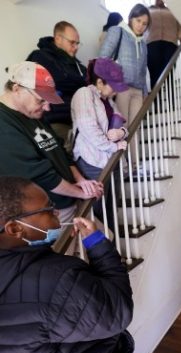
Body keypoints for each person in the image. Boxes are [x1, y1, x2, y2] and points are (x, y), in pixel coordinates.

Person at [0, 176, 134, 353]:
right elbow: (117, 312)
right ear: (15, 228)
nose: (57, 213)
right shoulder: (58, 280)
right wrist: (97, 245)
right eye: (48, 209)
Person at [0, 61, 103, 224]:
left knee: (105, 240)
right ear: (17, 89)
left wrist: (80, 181)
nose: (47, 108)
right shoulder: (4, 123)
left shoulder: (32, 112)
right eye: (41, 101)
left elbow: (59, 150)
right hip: (50, 213)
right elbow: (39, 175)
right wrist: (81, 193)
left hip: (70, 199)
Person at [72, 57, 128, 231]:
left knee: (111, 207)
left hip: (110, 159)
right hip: (92, 161)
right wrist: (113, 146)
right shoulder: (84, 94)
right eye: (113, 86)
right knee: (97, 209)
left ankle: (113, 246)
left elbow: (123, 124)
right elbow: (89, 129)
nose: (116, 92)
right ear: (99, 82)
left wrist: (122, 133)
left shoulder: (108, 101)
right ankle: (100, 249)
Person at [99, 4, 150, 168]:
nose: (141, 25)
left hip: (137, 90)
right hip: (121, 87)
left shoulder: (143, 44)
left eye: (144, 23)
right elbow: (103, 57)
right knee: (122, 127)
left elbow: (143, 70)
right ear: (131, 18)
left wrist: (145, 92)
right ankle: (123, 164)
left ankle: (135, 164)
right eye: (138, 20)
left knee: (135, 128)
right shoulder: (118, 31)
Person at [27, 21, 87, 151]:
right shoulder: (40, 56)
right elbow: (55, 81)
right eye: (72, 42)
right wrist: (80, 84)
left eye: (77, 43)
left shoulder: (78, 66)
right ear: (58, 39)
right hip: (56, 121)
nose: (76, 47)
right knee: (65, 161)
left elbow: (89, 85)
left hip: (81, 121)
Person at [145, 0, 181, 89]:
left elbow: (180, 26)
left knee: (169, 72)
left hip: (170, 43)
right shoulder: (148, 10)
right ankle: (156, 100)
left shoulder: (172, 10)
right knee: (154, 74)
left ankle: (171, 99)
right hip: (152, 43)